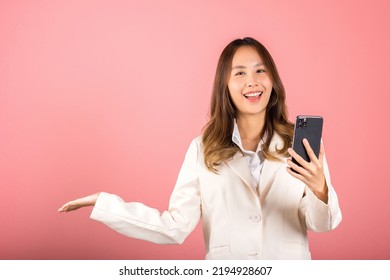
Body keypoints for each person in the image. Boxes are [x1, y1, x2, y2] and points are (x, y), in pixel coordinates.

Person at [58, 37, 342, 259]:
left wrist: (320, 189)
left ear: (273, 81)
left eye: (260, 71)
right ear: (225, 86)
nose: (252, 81)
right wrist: (104, 203)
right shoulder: (203, 149)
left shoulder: (299, 142)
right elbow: (174, 227)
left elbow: (322, 224)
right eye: (239, 73)